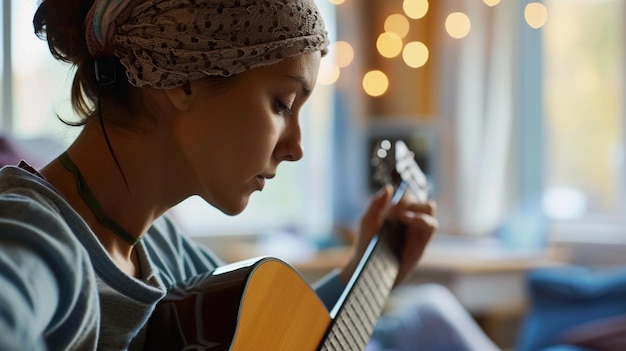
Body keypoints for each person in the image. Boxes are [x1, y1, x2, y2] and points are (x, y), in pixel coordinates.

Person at [0, 0, 440, 350]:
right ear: (182, 76)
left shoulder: (165, 250)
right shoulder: (35, 238)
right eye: (283, 103)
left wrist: (361, 273)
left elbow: (271, 336)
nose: (297, 148)